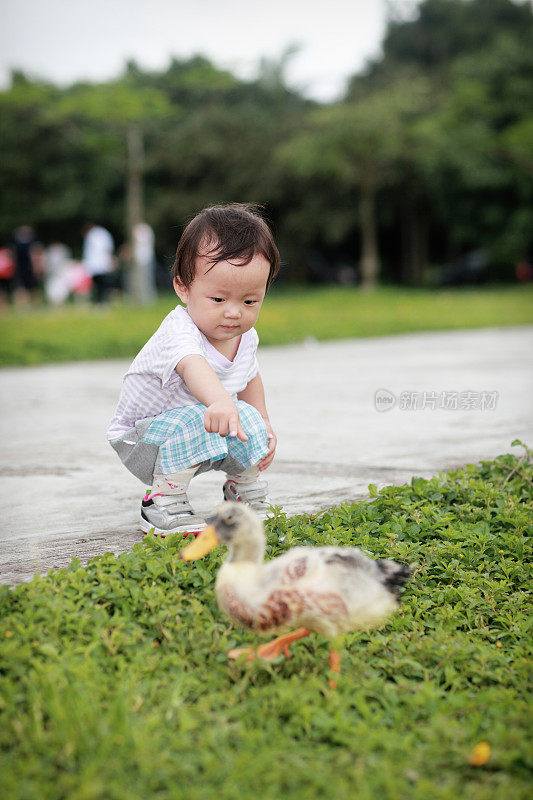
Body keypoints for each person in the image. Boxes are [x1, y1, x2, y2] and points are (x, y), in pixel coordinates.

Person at [107, 204, 280, 536]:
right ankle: (161, 501)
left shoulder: (246, 337)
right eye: (218, 299)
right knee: (201, 413)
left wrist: (263, 424)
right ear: (183, 287)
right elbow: (192, 366)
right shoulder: (179, 330)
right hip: (142, 440)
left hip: (197, 428)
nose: (234, 313)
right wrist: (219, 402)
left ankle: (243, 494)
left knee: (250, 417)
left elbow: (250, 376)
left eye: (249, 301)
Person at [82, 222, 115, 304]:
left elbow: (88, 252)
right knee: (103, 285)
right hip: (101, 263)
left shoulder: (91, 235)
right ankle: (103, 301)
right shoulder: (104, 233)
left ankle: (99, 301)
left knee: (99, 285)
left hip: (97, 264)